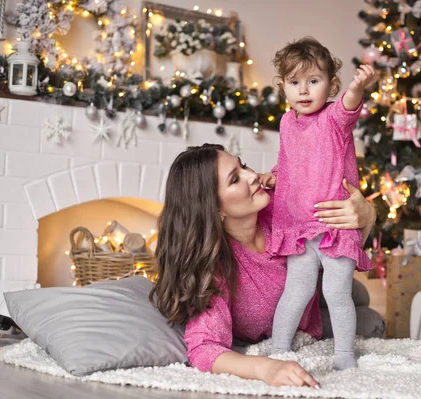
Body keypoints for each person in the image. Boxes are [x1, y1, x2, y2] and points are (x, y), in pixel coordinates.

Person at [150, 144, 377, 388]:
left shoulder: (283, 205)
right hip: (306, 317)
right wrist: (266, 368)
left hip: (324, 281)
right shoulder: (216, 266)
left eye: (244, 165)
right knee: (369, 319)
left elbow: (340, 244)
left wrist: (367, 217)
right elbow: (203, 349)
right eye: (236, 179)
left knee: (358, 299)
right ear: (214, 208)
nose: (253, 176)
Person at [259, 37, 377, 370]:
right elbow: (291, 162)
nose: (305, 90)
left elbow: (349, 104)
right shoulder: (285, 122)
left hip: (335, 224)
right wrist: (274, 175)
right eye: (295, 82)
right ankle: (280, 352)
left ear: (331, 84)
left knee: (337, 292)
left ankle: (344, 358)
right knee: (296, 290)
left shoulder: (333, 119)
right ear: (283, 87)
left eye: (314, 81)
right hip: (297, 226)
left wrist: (356, 88)